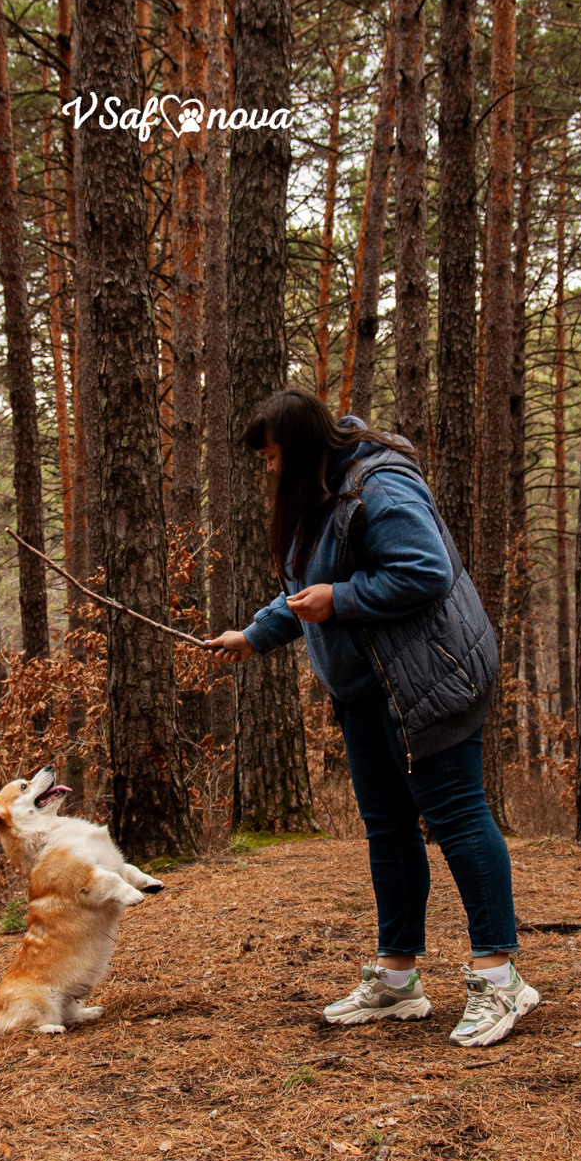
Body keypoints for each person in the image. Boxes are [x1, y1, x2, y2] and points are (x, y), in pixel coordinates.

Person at [206, 389, 539, 1048]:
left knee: (459, 818)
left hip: (432, 677)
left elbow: (425, 571)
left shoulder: (376, 486)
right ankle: (397, 977)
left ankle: (500, 976)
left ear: (298, 448)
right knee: (387, 828)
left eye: (272, 457)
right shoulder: (321, 493)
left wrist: (344, 599)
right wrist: (255, 635)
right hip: (370, 690)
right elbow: (307, 590)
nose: (269, 471)